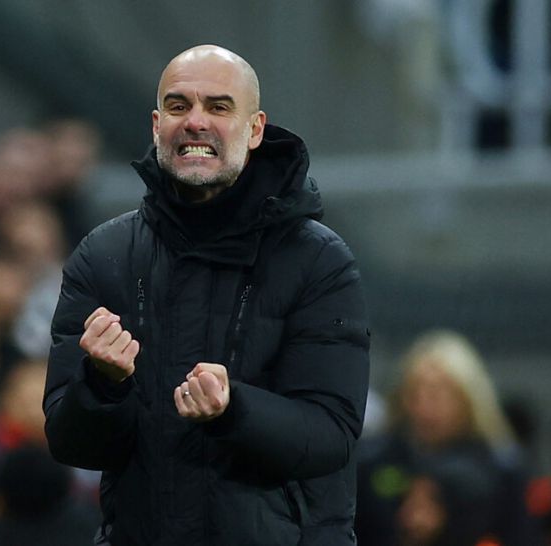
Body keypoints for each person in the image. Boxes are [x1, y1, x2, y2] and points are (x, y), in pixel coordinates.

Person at [43, 44, 371, 545]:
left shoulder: (318, 260)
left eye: (218, 107)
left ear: (255, 130)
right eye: (179, 106)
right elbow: (71, 446)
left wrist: (234, 409)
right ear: (157, 126)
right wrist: (103, 384)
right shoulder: (103, 255)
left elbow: (331, 435)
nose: (195, 122)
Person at [355, 329, 539, 546]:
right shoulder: (371, 463)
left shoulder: (502, 470)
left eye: (438, 394)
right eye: (415, 392)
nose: (424, 406)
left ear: (468, 399)